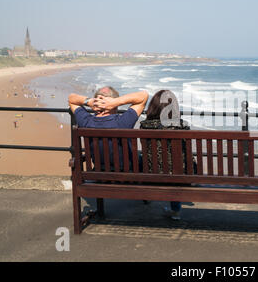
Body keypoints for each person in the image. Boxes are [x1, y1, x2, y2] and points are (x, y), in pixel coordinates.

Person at [140, 89, 195, 220]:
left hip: (152, 175)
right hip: (179, 176)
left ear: (153, 107)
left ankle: (146, 196)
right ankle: (175, 210)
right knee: (177, 165)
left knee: (147, 159)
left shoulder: (144, 126)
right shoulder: (181, 126)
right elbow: (187, 153)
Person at [68, 86, 149, 171]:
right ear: (114, 105)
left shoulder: (86, 121)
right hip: (127, 177)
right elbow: (143, 96)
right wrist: (115, 102)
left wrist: (90, 101)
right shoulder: (123, 122)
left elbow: (71, 99)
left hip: (98, 176)